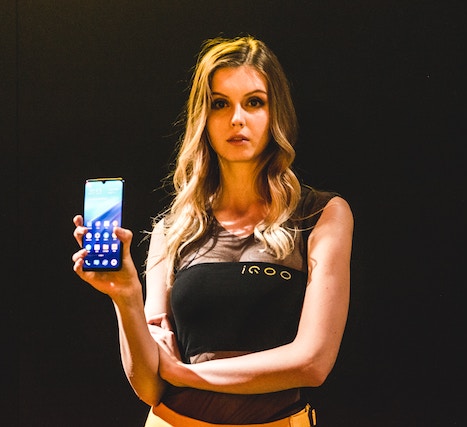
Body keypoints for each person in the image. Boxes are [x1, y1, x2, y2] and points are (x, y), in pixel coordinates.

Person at [72, 36, 353, 427]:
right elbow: (150, 386)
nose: (237, 118)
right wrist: (126, 297)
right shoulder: (173, 230)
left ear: (276, 114)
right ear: (202, 117)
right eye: (220, 104)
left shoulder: (320, 214)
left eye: (254, 102)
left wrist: (186, 375)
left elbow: (312, 362)